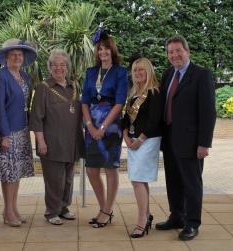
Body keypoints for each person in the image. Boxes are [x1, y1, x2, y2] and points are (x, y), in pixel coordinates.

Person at [155, 35, 216, 241]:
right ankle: (177, 216)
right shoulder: (167, 74)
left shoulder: (201, 75)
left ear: (187, 51)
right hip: (169, 138)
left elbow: (208, 112)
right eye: (170, 52)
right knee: (173, 180)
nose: (174, 55)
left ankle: (192, 223)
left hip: (191, 141)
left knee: (191, 183)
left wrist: (204, 143)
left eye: (178, 50)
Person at [30, 49, 84, 225]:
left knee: (68, 179)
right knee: (54, 180)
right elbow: (36, 118)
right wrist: (41, 141)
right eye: (55, 65)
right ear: (50, 67)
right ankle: (52, 211)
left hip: (72, 142)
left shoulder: (74, 87)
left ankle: (64, 208)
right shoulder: (43, 88)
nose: (59, 68)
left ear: (67, 67)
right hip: (52, 143)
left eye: (62, 65)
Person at [81, 26, 128, 228]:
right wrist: (90, 126)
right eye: (100, 49)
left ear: (112, 51)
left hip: (111, 127)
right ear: (96, 52)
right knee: (91, 169)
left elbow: (120, 103)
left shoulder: (120, 72)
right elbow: (84, 101)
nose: (103, 52)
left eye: (106, 49)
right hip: (91, 128)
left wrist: (103, 127)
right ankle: (104, 208)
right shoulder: (91, 72)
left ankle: (106, 211)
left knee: (110, 169)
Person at [0, 39, 36, 227]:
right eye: (13, 54)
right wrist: (4, 134)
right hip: (8, 132)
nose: (17, 57)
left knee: (17, 172)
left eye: (20, 54)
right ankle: (8, 211)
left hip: (23, 130)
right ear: (6, 57)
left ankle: (13, 209)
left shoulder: (26, 77)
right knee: (9, 172)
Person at [123, 57, 163, 238]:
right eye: (135, 70)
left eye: (142, 70)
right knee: (138, 180)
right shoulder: (134, 93)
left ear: (148, 72)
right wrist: (126, 136)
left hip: (147, 141)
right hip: (133, 141)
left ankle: (141, 220)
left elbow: (155, 120)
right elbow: (126, 119)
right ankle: (146, 215)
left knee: (138, 180)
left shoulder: (154, 92)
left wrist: (139, 140)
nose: (138, 73)